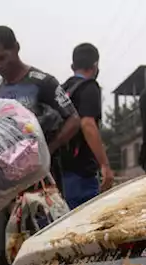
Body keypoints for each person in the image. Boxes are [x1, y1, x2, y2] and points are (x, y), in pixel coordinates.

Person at [0, 26, 81, 157]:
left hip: (45, 172)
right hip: (11, 169)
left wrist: (48, 149)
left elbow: (74, 120)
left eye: (1, 58)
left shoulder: (44, 82)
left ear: (16, 48)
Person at [58, 42, 115, 208]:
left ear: (72, 66)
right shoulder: (89, 87)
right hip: (82, 172)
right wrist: (104, 164)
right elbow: (88, 124)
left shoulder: (62, 90)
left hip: (60, 171)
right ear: (95, 65)